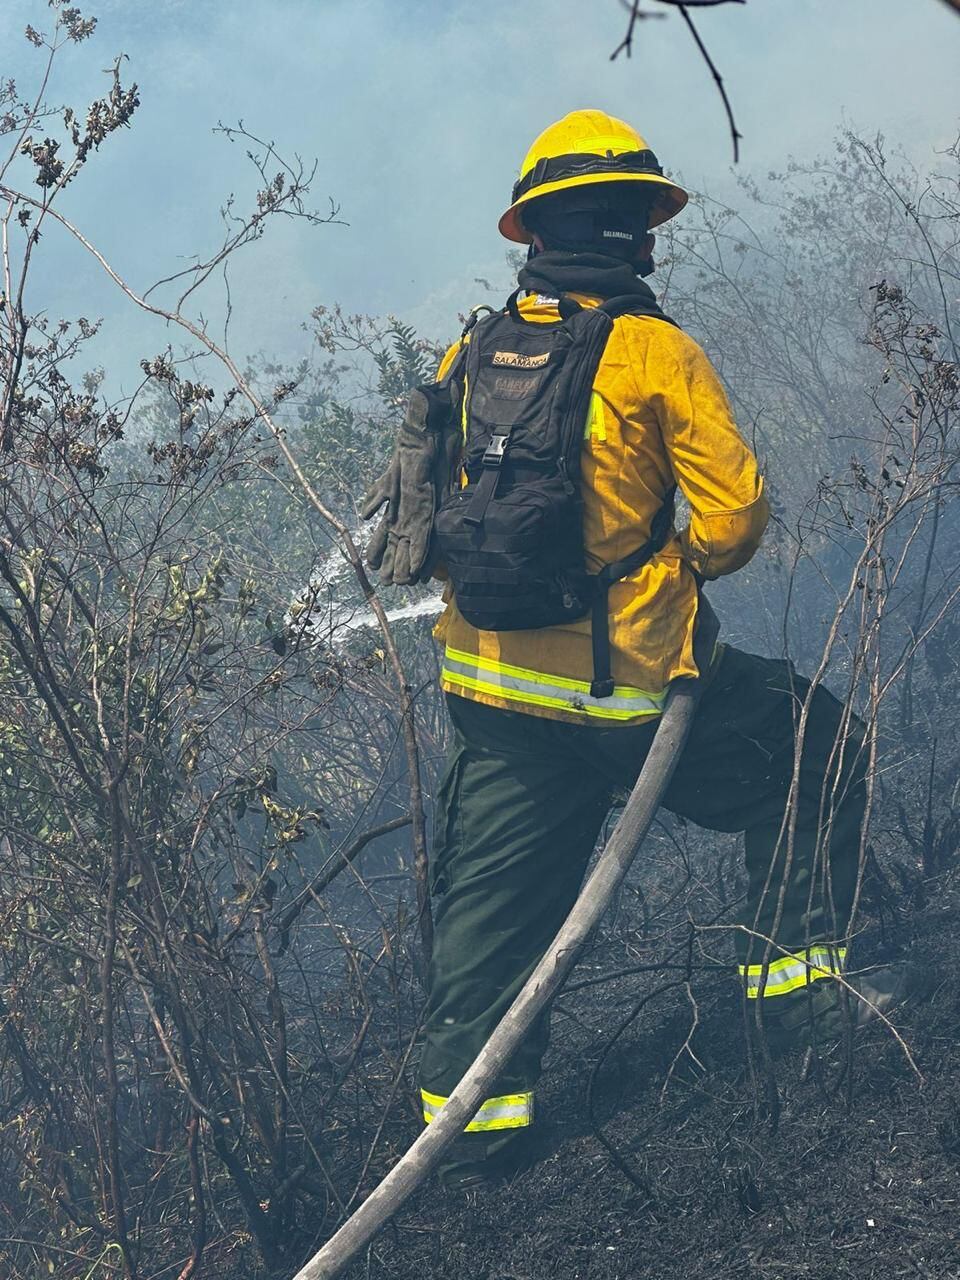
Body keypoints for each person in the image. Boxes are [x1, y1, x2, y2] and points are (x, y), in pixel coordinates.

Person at [366, 110, 896, 1192]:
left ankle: (470, 1126)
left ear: (536, 235)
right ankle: (797, 1004)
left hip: (487, 688)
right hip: (627, 696)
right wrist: (674, 562)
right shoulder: (653, 350)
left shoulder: (470, 348)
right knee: (815, 744)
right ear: (633, 233)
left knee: (491, 902)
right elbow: (737, 517)